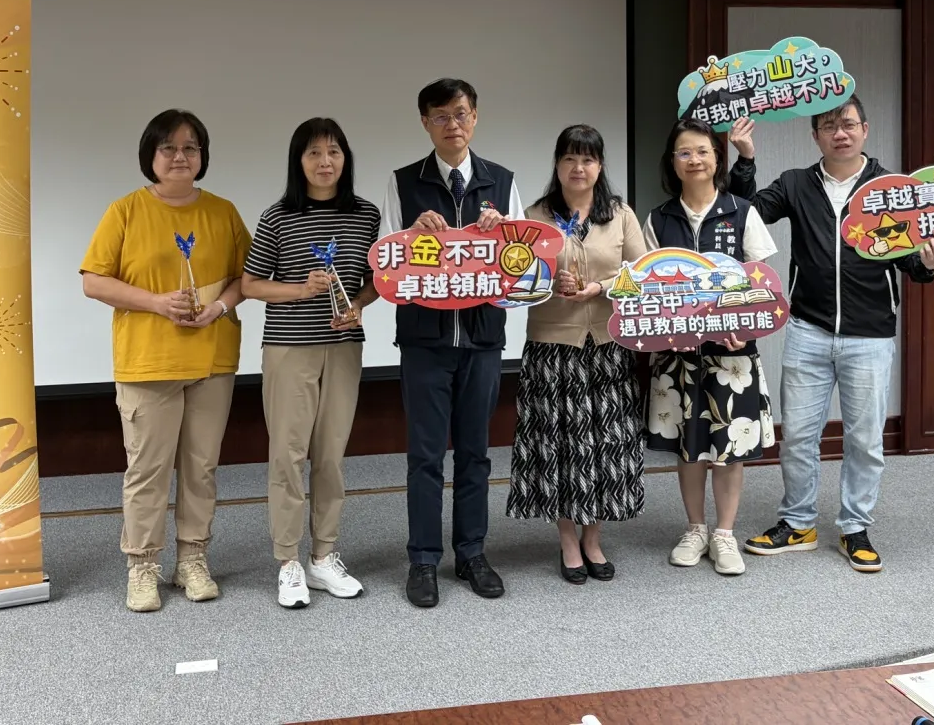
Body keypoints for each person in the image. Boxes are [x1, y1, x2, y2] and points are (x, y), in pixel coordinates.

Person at [735, 94, 934, 573]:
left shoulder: (892, 190)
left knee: (865, 439)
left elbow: (910, 262)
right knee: (798, 436)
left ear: (865, 129)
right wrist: (745, 161)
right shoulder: (794, 183)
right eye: (829, 126)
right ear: (815, 136)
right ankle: (798, 523)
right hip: (807, 329)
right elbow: (744, 215)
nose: (840, 133)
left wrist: (929, 265)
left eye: (848, 123)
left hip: (870, 335)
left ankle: (855, 527)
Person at [80, 109, 250, 613]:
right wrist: (156, 302)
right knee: (148, 470)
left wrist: (220, 307)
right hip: (148, 363)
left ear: (203, 156)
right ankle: (143, 566)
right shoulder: (126, 211)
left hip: (212, 361)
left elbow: (245, 278)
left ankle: (192, 560)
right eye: (168, 147)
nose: (180, 156)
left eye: (191, 147)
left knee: (201, 468)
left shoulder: (223, 212)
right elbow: (93, 281)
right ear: (150, 156)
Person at [380, 77, 524, 608]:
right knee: (424, 455)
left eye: (460, 114)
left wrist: (504, 233)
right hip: (424, 340)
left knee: (474, 453)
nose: (452, 124)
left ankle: (471, 553)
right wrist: (411, 237)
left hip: (482, 339)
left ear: (475, 117)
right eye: (440, 116)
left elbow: (522, 270)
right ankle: (423, 559)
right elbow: (386, 266)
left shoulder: (501, 181)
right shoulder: (403, 183)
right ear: (425, 123)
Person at [242, 118, 381, 609]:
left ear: (346, 158)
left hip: (343, 347)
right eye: (314, 153)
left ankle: (323, 556)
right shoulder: (278, 217)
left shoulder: (366, 215)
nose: (325, 162)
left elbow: (376, 280)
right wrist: (302, 290)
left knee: (330, 455)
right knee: (288, 454)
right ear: (298, 161)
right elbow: (250, 284)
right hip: (289, 348)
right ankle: (288, 561)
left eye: (334, 152)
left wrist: (358, 303)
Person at [506, 125, 646, 584]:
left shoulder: (620, 215)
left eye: (587, 159)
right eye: (569, 158)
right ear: (557, 164)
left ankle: (593, 537)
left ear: (600, 166)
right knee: (559, 443)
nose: (578, 168)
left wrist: (599, 288)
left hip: (607, 346)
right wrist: (551, 283)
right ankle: (568, 540)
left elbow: (640, 275)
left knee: (604, 442)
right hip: (552, 347)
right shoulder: (534, 217)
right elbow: (515, 279)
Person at [642, 119, 775, 577]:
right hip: (677, 355)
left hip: (732, 353)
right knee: (689, 445)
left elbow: (762, 285)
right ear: (672, 162)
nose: (694, 160)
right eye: (684, 152)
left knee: (730, 447)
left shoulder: (742, 211)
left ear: (717, 159)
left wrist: (746, 328)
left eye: (702, 151)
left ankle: (725, 533)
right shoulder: (659, 219)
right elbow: (648, 290)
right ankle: (696, 528)